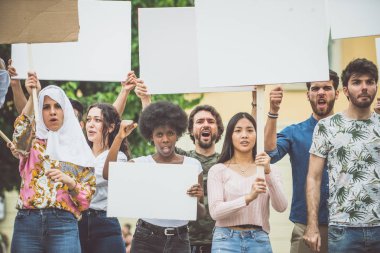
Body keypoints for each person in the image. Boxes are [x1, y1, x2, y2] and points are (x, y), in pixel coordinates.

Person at [103, 101, 206, 253]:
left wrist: (196, 199)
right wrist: (119, 137)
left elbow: (201, 213)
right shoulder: (142, 163)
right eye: (159, 134)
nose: (165, 139)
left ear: (177, 134)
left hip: (180, 239)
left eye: (170, 133)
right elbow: (108, 174)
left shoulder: (193, 165)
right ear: (151, 137)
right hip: (146, 238)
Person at [11, 73, 96, 253]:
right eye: (46, 107)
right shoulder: (32, 141)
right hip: (27, 222)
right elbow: (18, 138)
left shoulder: (79, 149)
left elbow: (86, 200)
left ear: (65, 110)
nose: (52, 111)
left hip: (63, 225)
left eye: (57, 106)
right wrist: (33, 97)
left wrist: (70, 182)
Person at [304, 58, 380, 253]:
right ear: (345, 90)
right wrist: (312, 225)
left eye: (369, 82)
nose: (364, 87)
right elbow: (314, 178)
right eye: (357, 82)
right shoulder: (327, 126)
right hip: (343, 228)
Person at [264, 70, 340, 253]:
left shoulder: (350, 130)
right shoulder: (294, 132)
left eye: (327, 88)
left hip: (345, 227)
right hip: (305, 226)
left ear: (337, 93)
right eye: (315, 88)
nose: (321, 92)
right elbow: (270, 153)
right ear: (308, 95)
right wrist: (273, 111)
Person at [208, 112, 287, 253]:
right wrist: (248, 198)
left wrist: (268, 173)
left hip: (259, 240)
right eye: (238, 131)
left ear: (257, 136)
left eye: (250, 130)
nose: (244, 135)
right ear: (230, 136)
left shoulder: (269, 170)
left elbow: (281, 207)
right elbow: (215, 212)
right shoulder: (218, 170)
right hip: (225, 240)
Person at [78, 103, 131, 253]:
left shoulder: (119, 157)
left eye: (97, 120)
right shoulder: (79, 153)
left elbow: (98, 178)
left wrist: (72, 179)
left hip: (105, 224)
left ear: (111, 127)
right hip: (76, 222)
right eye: (88, 120)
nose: (91, 124)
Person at [175, 105, 224, 253]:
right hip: (185, 242)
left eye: (210, 121)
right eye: (200, 121)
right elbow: (157, 134)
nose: (206, 124)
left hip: (222, 242)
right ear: (190, 129)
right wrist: (146, 99)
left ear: (218, 129)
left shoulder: (227, 161)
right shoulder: (181, 159)